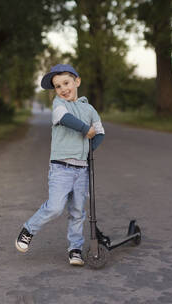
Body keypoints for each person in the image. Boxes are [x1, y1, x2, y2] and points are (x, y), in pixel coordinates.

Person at [15, 64, 105, 266]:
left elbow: (99, 132)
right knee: (55, 207)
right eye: (57, 86)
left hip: (81, 168)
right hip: (61, 167)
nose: (63, 89)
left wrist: (89, 150)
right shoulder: (59, 105)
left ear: (77, 82)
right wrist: (84, 130)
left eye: (66, 83)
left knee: (77, 211)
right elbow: (65, 119)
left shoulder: (89, 109)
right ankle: (29, 229)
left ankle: (75, 248)